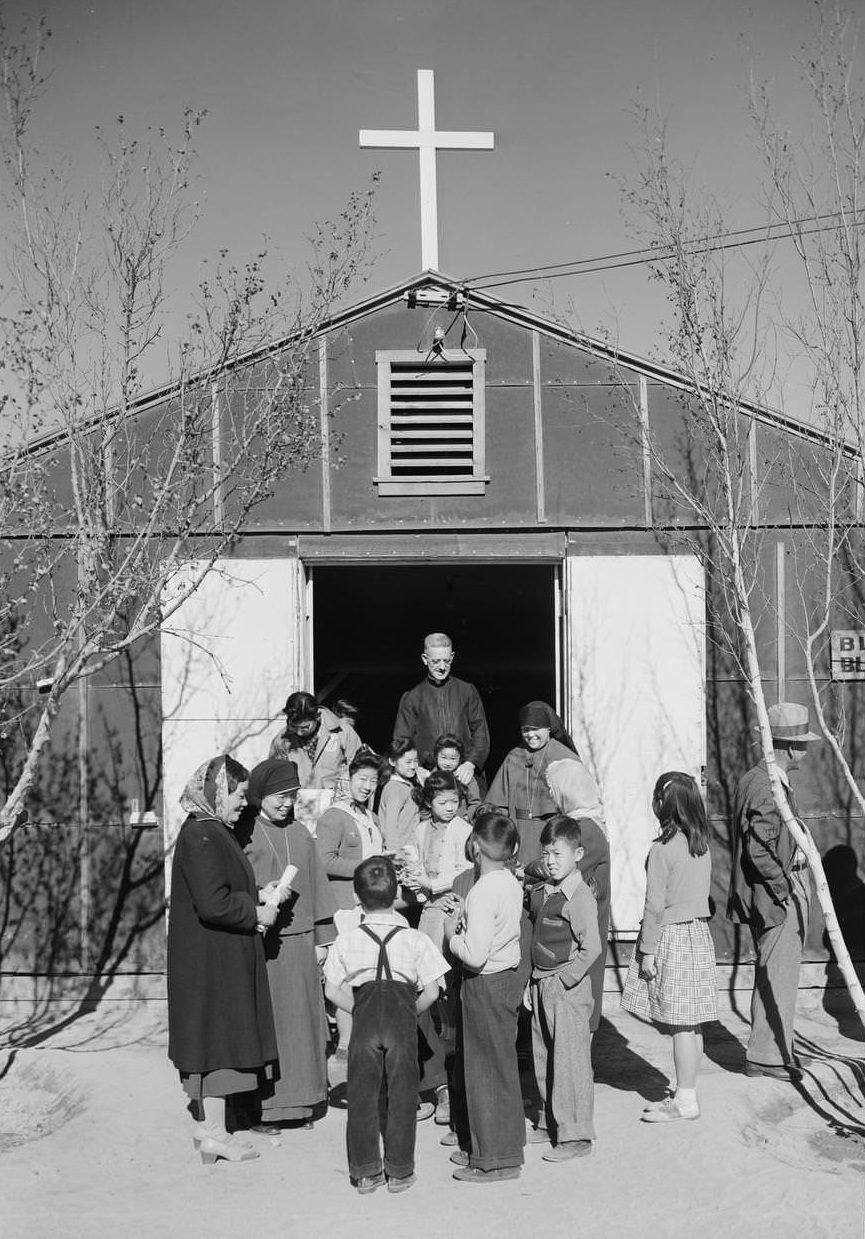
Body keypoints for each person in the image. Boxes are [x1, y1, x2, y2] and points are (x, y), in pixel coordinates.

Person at [167, 755, 277, 1164]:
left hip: (215, 959)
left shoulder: (211, 830)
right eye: (239, 795)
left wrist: (256, 894)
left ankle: (210, 1129)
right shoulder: (203, 835)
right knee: (218, 1044)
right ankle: (213, 1133)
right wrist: (256, 911)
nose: (243, 804)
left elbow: (223, 888)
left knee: (217, 1040)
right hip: (212, 963)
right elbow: (214, 904)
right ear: (218, 792)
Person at [323, 856, 449, 1195]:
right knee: (402, 1096)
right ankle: (400, 1171)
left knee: (362, 1098)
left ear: (357, 896)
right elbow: (434, 990)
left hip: (364, 1023)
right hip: (401, 1023)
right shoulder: (415, 939)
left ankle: (365, 1173)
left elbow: (331, 989)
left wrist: (360, 1010)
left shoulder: (347, 939)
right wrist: (409, 1010)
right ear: (396, 895)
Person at [239, 759, 337, 1130]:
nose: (285, 803)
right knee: (273, 1025)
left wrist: (323, 938)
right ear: (260, 794)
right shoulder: (245, 832)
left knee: (305, 1025)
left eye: (291, 797)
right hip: (264, 945)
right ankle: (266, 1109)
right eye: (278, 796)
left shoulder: (300, 833)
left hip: (300, 944)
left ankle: (304, 1101)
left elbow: (318, 884)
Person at [727, 702, 819, 1081]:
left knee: (773, 973)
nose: (806, 750)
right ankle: (768, 1058)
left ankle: (775, 1051)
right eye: (803, 743)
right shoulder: (767, 785)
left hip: (773, 891)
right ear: (791, 747)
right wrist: (784, 888)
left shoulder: (759, 777)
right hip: (776, 894)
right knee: (778, 975)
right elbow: (759, 847)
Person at [621, 772, 717, 1122]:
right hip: (698, 935)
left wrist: (647, 950)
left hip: (671, 937)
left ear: (662, 804)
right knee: (692, 1025)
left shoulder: (662, 849)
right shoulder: (701, 844)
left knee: (679, 1026)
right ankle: (686, 1090)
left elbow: (654, 905)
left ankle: (685, 1101)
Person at [444, 812, 526, 1183]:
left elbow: (474, 954)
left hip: (484, 983)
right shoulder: (510, 883)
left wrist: (452, 935)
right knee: (502, 1067)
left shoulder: (480, 891)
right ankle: (500, 1149)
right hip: (507, 979)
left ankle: (493, 1160)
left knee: (483, 1073)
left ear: (475, 846)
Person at [526, 815, 601, 1159]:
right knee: (544, 1055)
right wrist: (534, 982)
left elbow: (592, 948)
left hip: (566, 988)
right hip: (541, 982)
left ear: (578, 853)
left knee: (569, 1060)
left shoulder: (580, 894)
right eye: (547, 854)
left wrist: (565, 980)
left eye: (558, 854)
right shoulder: (546, 891)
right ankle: (549, 1120)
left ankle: (576, 1135)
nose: (551, 861)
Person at [316, 750, 385, 1072]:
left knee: (367, 974)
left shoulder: (368, 817)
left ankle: (364, 1039)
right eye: (362, 779)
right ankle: (344, 1042)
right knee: (344, 975)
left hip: (369, 907)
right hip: (346, 907)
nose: (368, 786)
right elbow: (324, 860)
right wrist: (367, 866)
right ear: (348, 779)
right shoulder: (335, 815)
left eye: (373, 781)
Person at [537, 758, 610, 1033]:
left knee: (578, 1009)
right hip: (578, 921)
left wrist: (527, 871)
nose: (552, 796)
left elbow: (552, 871)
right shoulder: (588, 822)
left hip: (579, 926)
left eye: (554, 789)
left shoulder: (585, 830)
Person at [486, 701, 578, 866]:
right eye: (525, 730)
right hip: (517, 837)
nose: (530, 734)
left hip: (551, 837)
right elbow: (497, 804)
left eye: (536, 729)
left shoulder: (564, 757)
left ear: (548, 728)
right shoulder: (514, 756)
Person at [393, 633, 490, 785]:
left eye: (446, 661)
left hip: (463, 774)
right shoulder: (412, 697)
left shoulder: (467, 691)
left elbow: (481, 733)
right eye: (436, 661)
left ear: (452, 657)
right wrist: (416, 768)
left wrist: (471, 763)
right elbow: (402, 741)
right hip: (427, 777)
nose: (442, 667)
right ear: (425, 659)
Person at [270, 690, 361, 793]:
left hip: (337, 801)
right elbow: (276, 778)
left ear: (317, 716)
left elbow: (361, 768)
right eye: (294, 727)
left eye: (305, 727)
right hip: (299, 803)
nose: (299, 732)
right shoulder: (282, 741)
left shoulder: (343, 732)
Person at [376, 738, 423, 852]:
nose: (413, 766)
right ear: (392, 761)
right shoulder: (395, 788)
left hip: (410, 849)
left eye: (416, 761)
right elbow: (390, 826)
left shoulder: (408, 785)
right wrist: (394, 854)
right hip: (400, 852)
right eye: (408, 762)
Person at [433, 733, 482, 821]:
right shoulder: (431, 777)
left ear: (460, 758)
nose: (448, 763)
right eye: (443, 758)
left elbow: (475, 802)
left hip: (460, 823)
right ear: (436, 756)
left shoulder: (465, 776)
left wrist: (466, 817)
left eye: (453, 759)